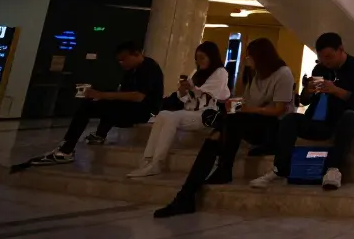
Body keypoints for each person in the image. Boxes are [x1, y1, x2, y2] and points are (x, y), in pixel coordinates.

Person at [153, 38, 295, 217]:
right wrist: (235, 104)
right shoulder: (256, 74)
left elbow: (279, 110)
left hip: (275, 128)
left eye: (249, 57)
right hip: (253, 122)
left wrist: (247, 109)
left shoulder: (283, 74)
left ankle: (214, 175)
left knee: (227, 124)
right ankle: (188, 193)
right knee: (222, 126)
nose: (246, 60)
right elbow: (248, 102)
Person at [252, 33, 354, 191]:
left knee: (348, 117)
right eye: (322, 58)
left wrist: (336, 90)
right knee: (290, 120)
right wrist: (308, 91)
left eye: (329, 57)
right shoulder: (320, 68)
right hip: (322, 120)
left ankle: (333, 169)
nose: (326, 62)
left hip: (352, 117)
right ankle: (280, 169)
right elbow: (305, 101)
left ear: (341, 50)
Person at [29, 41, 163, 166]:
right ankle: (99, 135)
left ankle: (66, 150)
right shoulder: (131, 70)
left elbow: (138, 96)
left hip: (144, 112)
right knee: (102, 102)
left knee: (90, 106)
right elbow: (122, 93)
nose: (122, 63)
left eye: (124, 59)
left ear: (137, 54)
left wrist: (102, 95)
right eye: (119, 61)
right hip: (133, 108)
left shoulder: (149, 68)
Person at [131, 41, 230, 177]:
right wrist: (182, 91)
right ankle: (147, 159)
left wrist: (192, 89)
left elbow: (209, 93)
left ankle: (157, 163)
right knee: (163, 114)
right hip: (190, 112)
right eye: (197, 58)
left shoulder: (220, 73)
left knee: (172, 118)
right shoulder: (196, 73)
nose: (199, 61)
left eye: (202, 57)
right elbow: (185, 98)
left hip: (206, 115)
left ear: (211, 57)